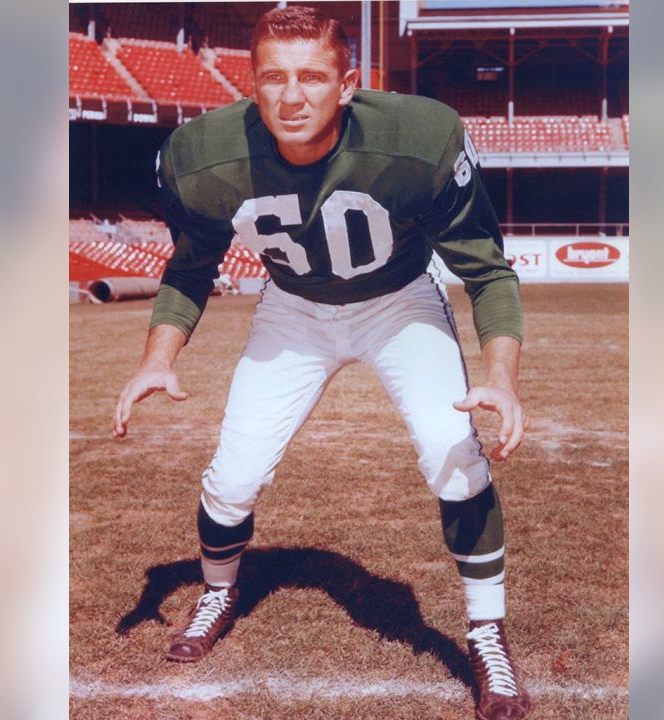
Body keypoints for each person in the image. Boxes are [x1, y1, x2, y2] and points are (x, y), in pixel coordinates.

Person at [113, 7, 530, 719]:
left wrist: (499, 378)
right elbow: (189, 268)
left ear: (348, 82)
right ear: (252, 84)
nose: (292, 95)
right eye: (273, 78)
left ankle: (486, 632)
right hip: (294, 307)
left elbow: (487, 271)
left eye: (312, 76)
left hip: (398, 301)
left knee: (450, 452)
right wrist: (159, 355)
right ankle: (219, 591)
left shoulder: (417, 138)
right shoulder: (203, 157)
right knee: (235, 472)